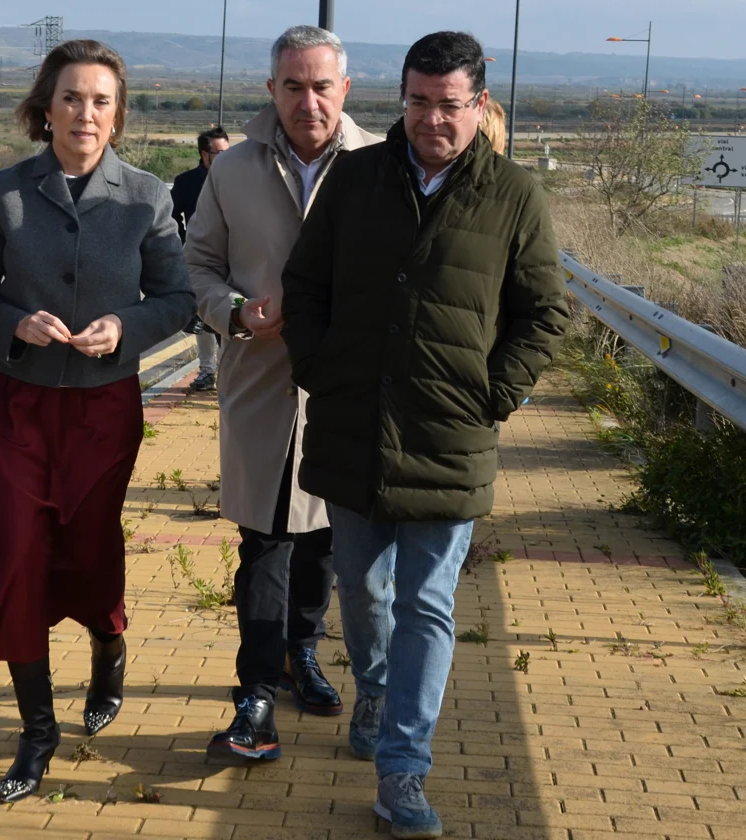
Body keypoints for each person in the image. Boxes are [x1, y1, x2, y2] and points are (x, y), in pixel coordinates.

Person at [281, 31, 569, 838]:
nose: (431, 120)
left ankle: (403, 771)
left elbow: (544, 312)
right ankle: (371, 685)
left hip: (452, 435)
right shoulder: (355, 179)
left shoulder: (514, 195)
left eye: (449, 105)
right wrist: (318, 368)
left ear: (478, 105)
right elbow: (304, 283)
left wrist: (495, 395)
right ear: (400, 98)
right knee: (362, 594)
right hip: (354, 424)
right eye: (417, 102)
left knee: (428, 606)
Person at [0, 40, 195, 804]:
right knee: (16, 554)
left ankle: (108, 641)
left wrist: (125, 327)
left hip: (102, 407)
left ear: (117, 115)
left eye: (99, 101)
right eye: (70, 98)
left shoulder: (148, 197)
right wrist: (12, 325)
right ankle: (37, 731)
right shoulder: (7, 192)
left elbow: (179, 301)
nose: (84, 114)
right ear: (44, 108)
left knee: (87, 553)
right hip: (13, 405)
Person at [184, 25, 381, 762]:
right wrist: (233, 313)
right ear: (271, 90)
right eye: (292, 86)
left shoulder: (377, 165)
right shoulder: (231, 170)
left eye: (321, 85)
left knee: (327, 540)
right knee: (263, 539)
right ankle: (256, 692)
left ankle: (305, 653)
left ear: (345, 90)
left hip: (347, 387)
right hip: (261, 383)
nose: (308, 100)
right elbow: (197, 262)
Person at [172, 125, 230, 392]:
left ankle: (229, 373)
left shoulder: (238, 179)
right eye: (219, 153)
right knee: (204, 317)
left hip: (234, 260)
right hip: (201, 262)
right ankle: (207, 371)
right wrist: (184, 244)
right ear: (204, 155)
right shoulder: (186, 183)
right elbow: (170, 219)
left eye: (228, 152)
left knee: (232, 316)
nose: (226, 158)